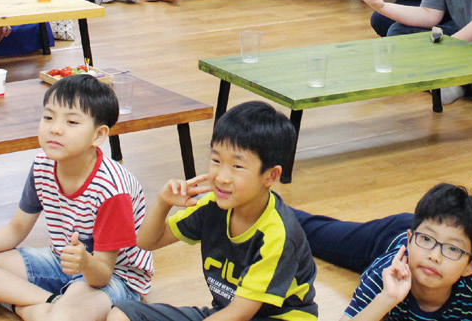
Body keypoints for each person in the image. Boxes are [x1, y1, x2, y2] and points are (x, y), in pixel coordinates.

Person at [0, 75, 153, 319]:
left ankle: (22, 304)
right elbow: (16, 228)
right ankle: (47, 302)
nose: (54, 128)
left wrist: (84, 263)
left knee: (64, 317)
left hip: (115, 278)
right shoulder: (42, 165)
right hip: (60, 261)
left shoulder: (112, 190)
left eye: (71, 122)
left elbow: (103, 273)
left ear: (99, 135)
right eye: (48, 117)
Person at [107, 101, 318, 321]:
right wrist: (163, 201)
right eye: (216, 160)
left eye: (237, 166)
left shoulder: (278, 236)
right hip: (224, 314)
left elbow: (239, 314)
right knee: (123, 313)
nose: (222, 177)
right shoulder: (212, 206)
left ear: (271, 176)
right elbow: (147, 242)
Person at [291, 167, 472, 321]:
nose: (434, 256)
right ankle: (264, 203)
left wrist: (436, 238)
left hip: (434, 228)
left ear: (471, 266)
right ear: (411, 240)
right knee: (313, 232)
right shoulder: (386, 274)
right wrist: (387, 298)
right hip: (388, 237)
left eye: (452, 249)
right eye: (428, 242)